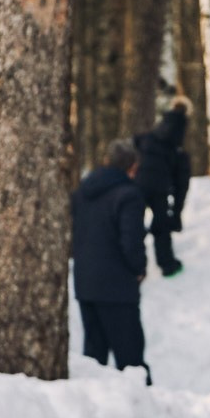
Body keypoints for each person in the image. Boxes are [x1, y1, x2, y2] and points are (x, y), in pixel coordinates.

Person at [70, 140, 151, 381]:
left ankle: (93, 410)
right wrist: (138, 269)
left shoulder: (82, 192)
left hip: (86, 283)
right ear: (133, 167)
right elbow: (131, 241)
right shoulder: (129, 195)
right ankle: (144, 411)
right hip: (117, 287)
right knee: (131, 361)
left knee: (94, 360)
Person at [132, 102, 194, 276]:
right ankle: (167, 265)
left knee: (133, 225)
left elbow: (134, 142)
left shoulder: (150, 135)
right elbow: (181, 184)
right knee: (161, 226)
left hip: (138, 185)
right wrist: (176, 214)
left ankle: (134, 266)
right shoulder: (177, 145)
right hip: (160, 188)